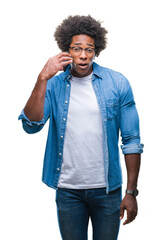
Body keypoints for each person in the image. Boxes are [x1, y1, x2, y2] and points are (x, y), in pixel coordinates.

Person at [18, 15, 144, 240]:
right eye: (77, 49)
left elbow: (132, 140)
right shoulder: (54, 85)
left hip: (108, 191)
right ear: (67, 49)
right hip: (68, 191)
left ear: (97, 50)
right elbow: (31, 125)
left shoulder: (117, 83)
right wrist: (42, 77)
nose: (84, 55)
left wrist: (131, 192)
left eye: (89, 49)